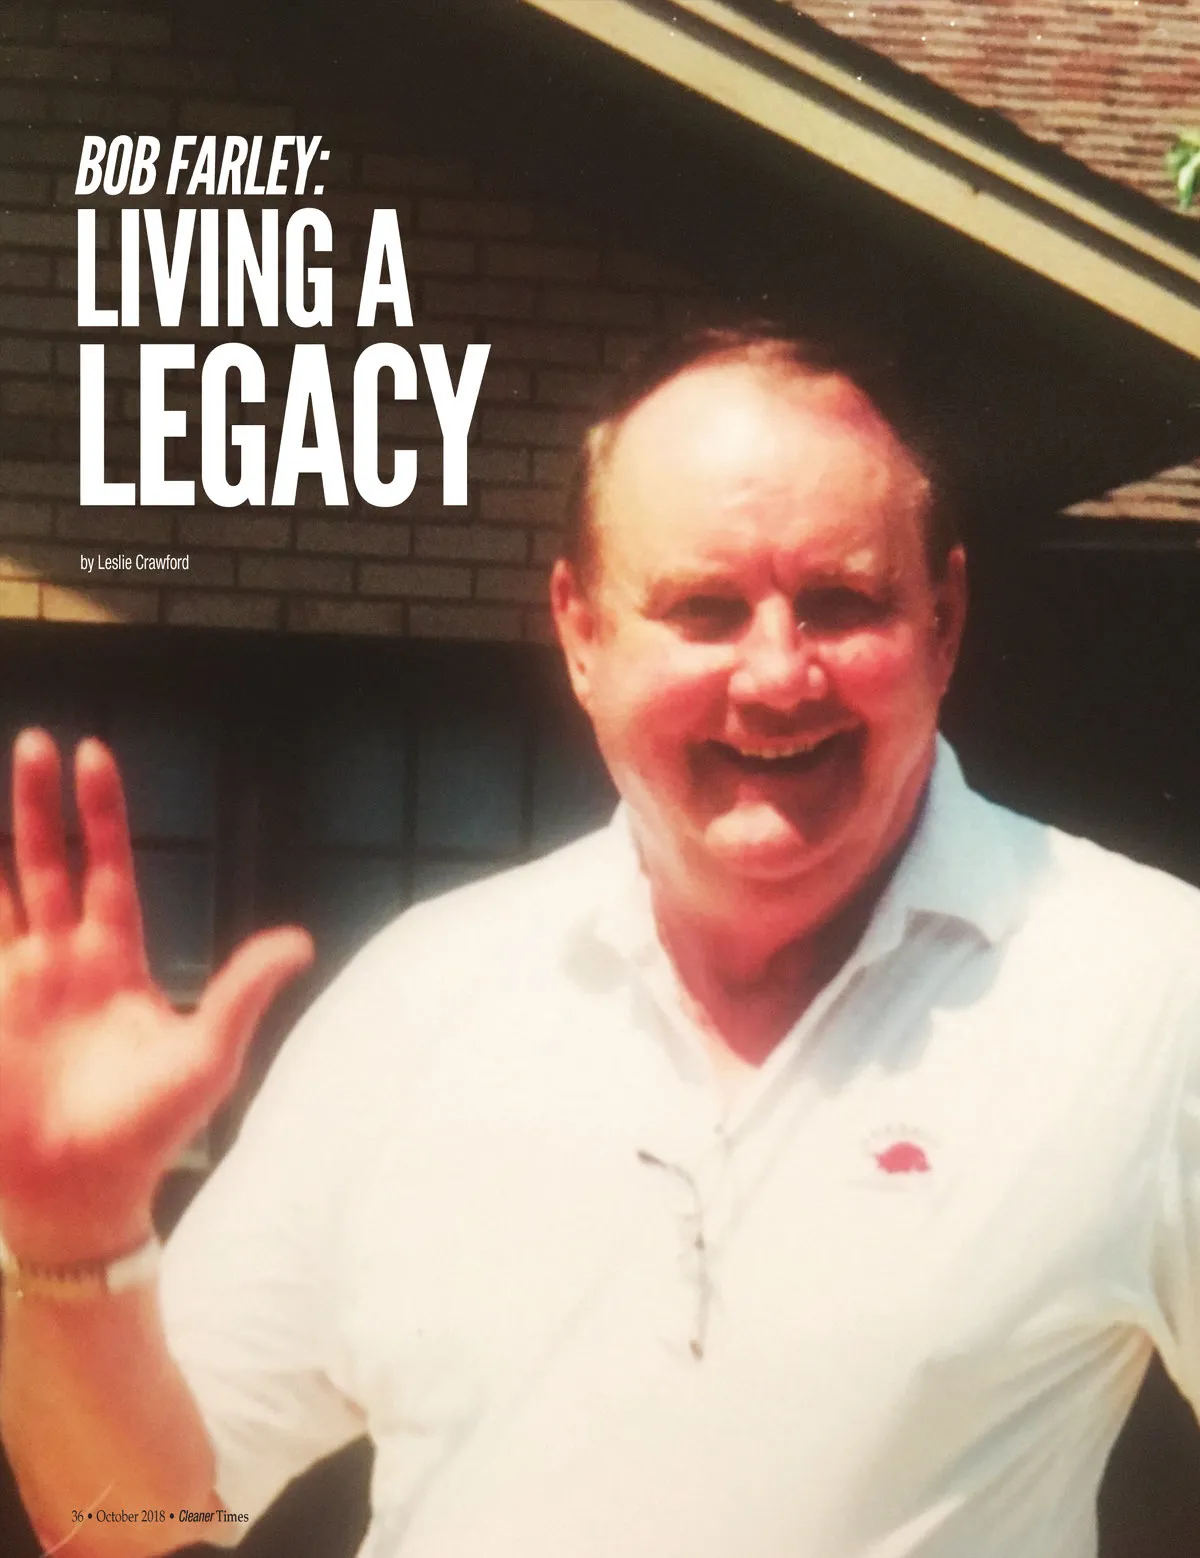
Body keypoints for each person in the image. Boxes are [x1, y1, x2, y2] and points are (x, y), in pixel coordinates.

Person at [3, 326, 1200, 1558]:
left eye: (842, 602)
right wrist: (73, 1233)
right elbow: (125, 1522)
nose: (778, 675)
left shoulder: (1148, 986)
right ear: (580, 633)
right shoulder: (419, 999)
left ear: (943, 624)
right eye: (704, 608)